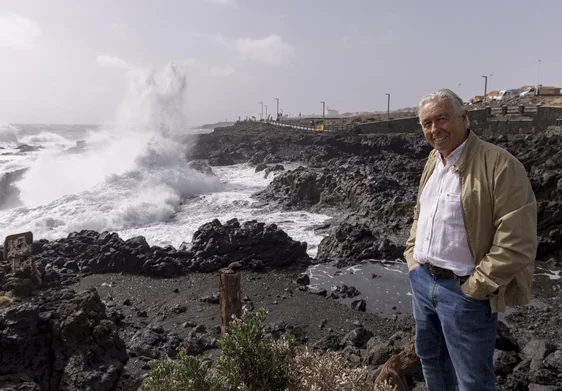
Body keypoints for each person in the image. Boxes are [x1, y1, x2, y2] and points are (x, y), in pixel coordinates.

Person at [404, 88, 537, 391]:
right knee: (431, 359)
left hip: (464, 291)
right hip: (423, 282)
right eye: (427, 123)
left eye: (442, 118)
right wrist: (412, 257)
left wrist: (474, 287)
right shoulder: (434, 160)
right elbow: (420, 211)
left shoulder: (500, 165)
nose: (435, 129)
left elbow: (517, 241)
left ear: (464, 118)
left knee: (472, 379)